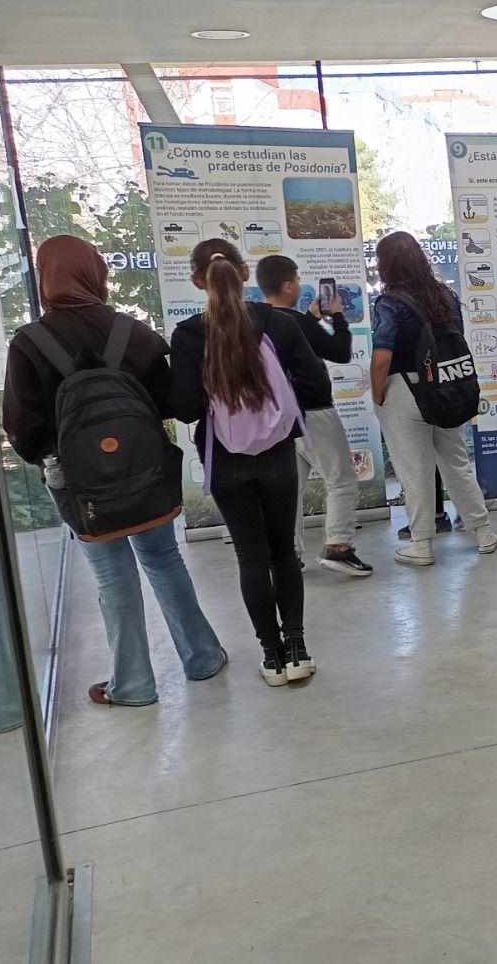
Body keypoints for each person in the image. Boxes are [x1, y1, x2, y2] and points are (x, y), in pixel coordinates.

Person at [4, 236, 225, 707]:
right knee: (165, 560)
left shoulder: (29, 343)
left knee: (112, 577)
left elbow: (20, 428)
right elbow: (171, 401)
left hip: (80, 484)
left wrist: (59, 458)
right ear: (96, 273)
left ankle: (134, 685)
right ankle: (203, 657)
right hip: (144, 471)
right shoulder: (132, 331)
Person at [171, 239, 332, 688]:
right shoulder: (277, 324)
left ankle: (272, 657)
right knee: (284, 552)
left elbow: (183, 407)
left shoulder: (188, 335)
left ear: (197, 281)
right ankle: (298, 648)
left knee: (250, 557)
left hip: (225, 458)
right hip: (279, 452)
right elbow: (317, 383)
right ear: (245, 274)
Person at [370, 231, 497, 565]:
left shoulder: (389, 303)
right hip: (445, 388)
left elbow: (383, 356)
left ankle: (422, 544)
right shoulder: (445, 295)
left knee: (415, 470)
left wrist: (378, 394)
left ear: (386, 265)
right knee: (456, 461)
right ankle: (483, 532)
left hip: (404, 390)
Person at [254, 256, 373, 578]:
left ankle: (287, 555)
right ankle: (339, 547)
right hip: (314, 411)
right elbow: (340, 351)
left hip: (275, 417)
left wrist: (310, 318)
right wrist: (337, 316)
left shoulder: (257, 321)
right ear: (289, 285)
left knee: (288, 488)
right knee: (342, 480)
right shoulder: (298, 323)